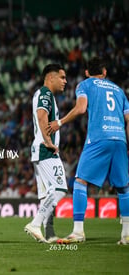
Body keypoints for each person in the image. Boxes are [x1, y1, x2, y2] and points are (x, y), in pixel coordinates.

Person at [48, 57, 129, 245]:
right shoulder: (119, 90)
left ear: (87, 72)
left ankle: (78, 231)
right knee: (123, 188)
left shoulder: (86, 85)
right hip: (119, 139)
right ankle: (126, 234)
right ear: (105, 72)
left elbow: (81, 108)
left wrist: (59, 122)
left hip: (99, 137)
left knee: (80, 181)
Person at [24, 64, 68, 243]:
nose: (65, 81)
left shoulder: (41, 94)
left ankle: (49, 233)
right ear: (51, 77)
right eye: (62, 77)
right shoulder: (46, 94)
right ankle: (35, 224)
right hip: (45, 149)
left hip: (38, 149)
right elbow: (42, 115)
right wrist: (49, 142)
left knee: (46, 195)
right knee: (60, 189)